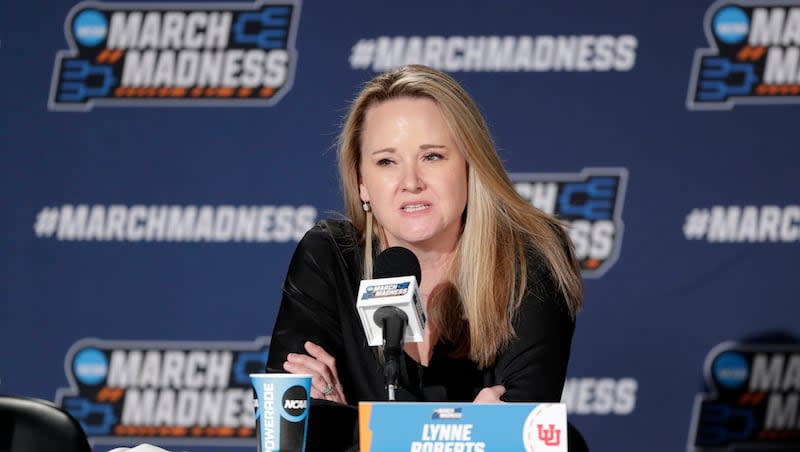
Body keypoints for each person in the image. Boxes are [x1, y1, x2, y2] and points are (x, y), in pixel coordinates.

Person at [266, 64, 583, 405]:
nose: (411, 182)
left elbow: (521, 433)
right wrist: (469, 434)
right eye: (387, 161)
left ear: (470, 165)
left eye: (432, 156)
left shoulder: (529, 257)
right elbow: (288, 426)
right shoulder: (329, 258)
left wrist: (346, 425)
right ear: (362, 183)